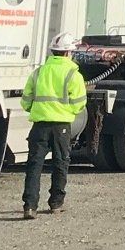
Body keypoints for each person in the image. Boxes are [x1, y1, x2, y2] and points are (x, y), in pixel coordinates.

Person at [21, 33, 86, 222]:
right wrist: (67, 111)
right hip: (61, 126)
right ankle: (56, 203)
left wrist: (37, 110)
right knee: (60, 162)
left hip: (39, 125)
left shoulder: (39, 72)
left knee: (34, 164)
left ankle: (30, 206)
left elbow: (26, 100)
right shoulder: (73, 74)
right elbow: (79, 103)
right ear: (67, 53)